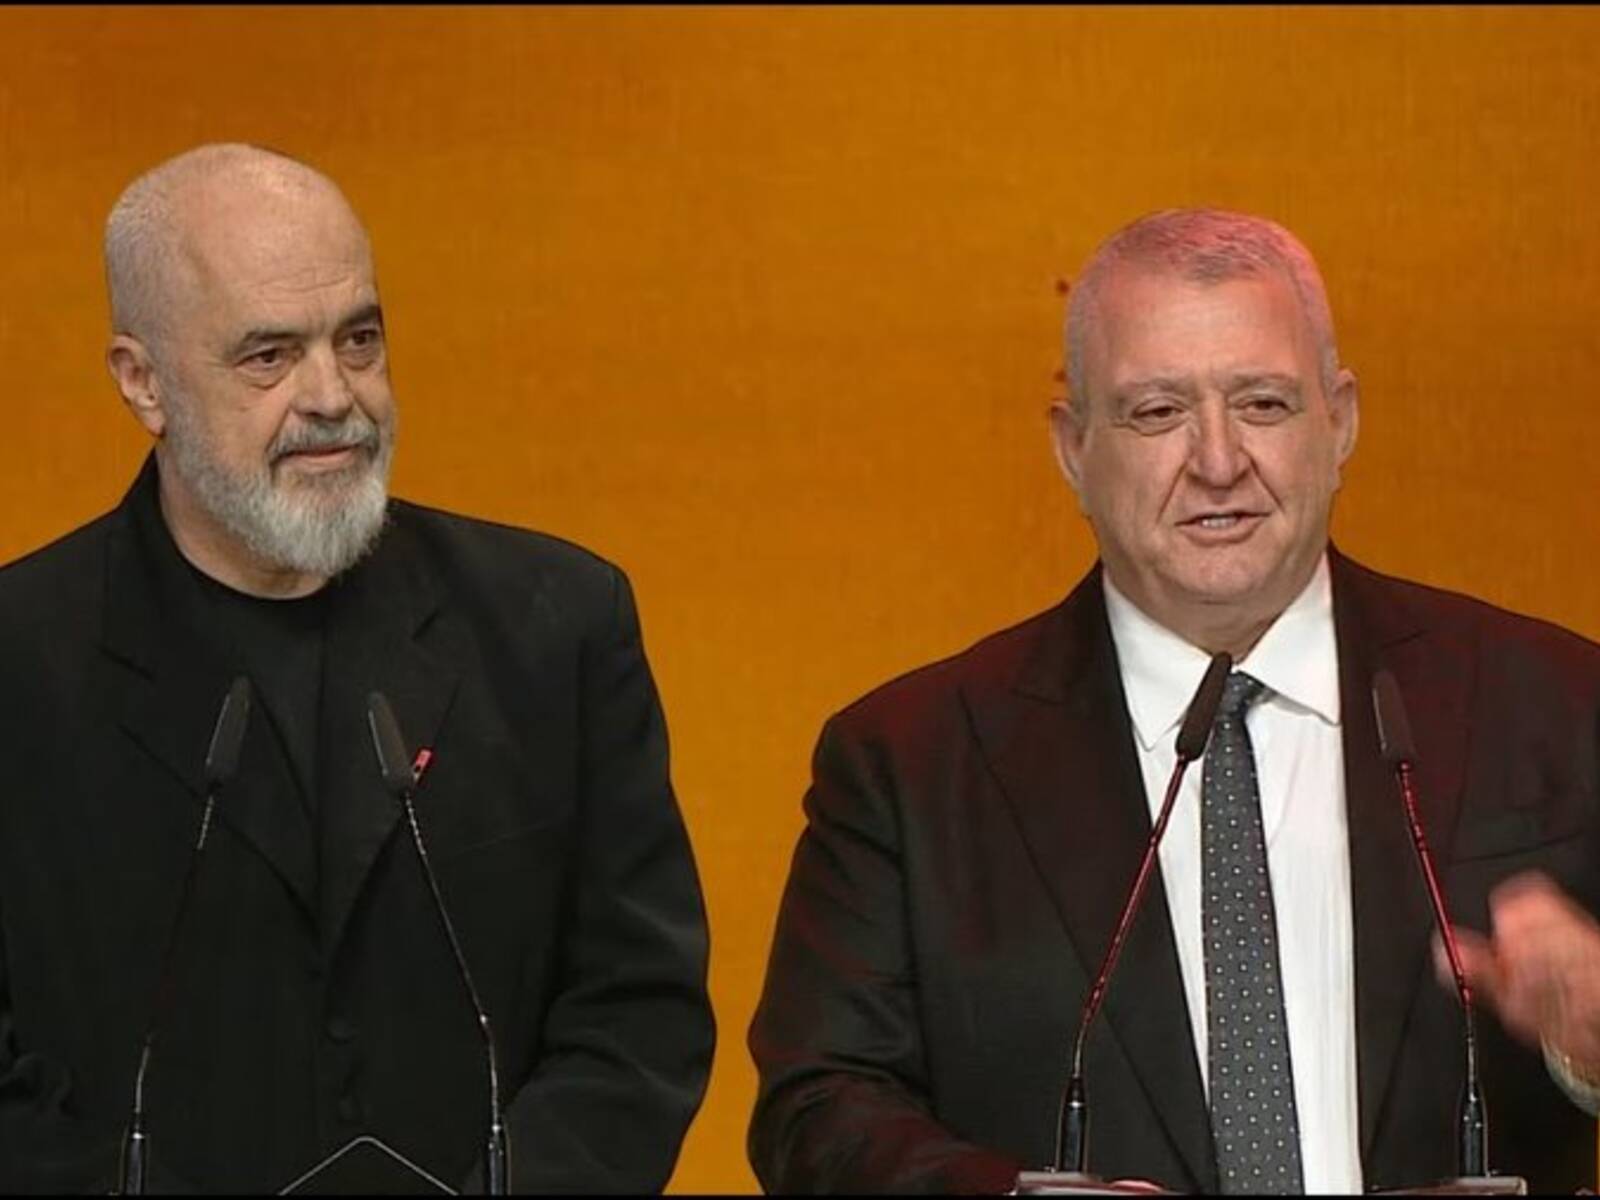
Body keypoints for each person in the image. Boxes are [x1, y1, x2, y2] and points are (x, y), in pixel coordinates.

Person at [748, 208, 1600, 1194]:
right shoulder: (912, 762)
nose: (1218, 461)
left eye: (1263, 405)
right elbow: (818, 1110)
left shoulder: (1552, 702)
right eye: (1157, 412)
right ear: (1074, 450)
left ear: (1341, 422)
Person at [0, 143, 714, 1193]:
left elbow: (637, 1011)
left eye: (360, 339)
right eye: (268, 356)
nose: (333, 396)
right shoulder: (22, 661)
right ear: (143, 382)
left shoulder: (554, 623)